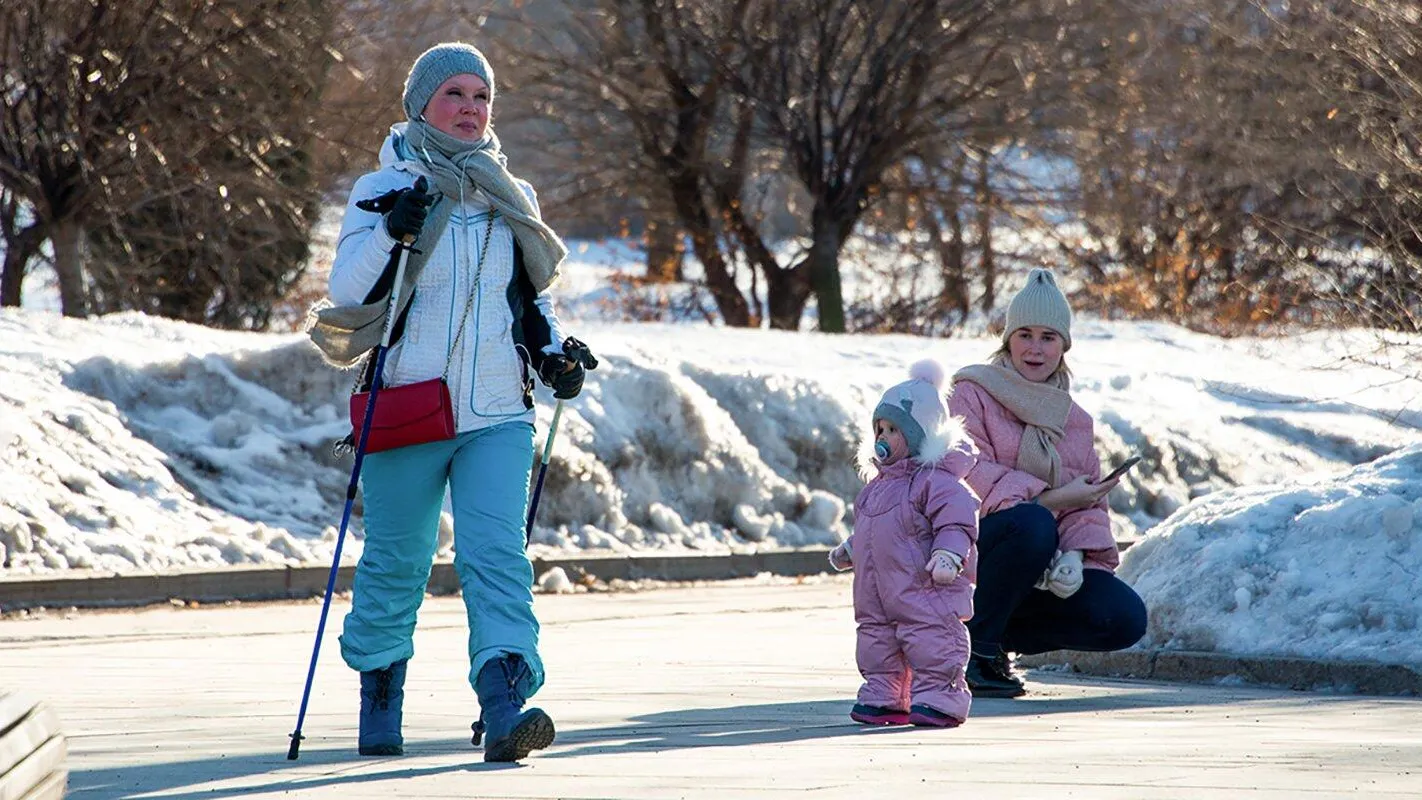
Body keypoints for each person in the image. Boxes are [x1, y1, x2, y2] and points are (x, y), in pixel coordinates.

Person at [309, 42, 590, 762]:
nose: (470, 109)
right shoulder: (383, 187)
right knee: (397, 562)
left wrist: (555, 353)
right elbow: (348, 291)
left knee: (497, 556)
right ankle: (380, 700)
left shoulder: (508, 193)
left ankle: (504, 707)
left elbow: (528, 299)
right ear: (421, 105)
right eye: (454, 96)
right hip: (407, 404)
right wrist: (395, 231)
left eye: (481, 96)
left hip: (497, 409)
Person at [948, 268, 1147, 698]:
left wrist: (1074, 556)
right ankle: (975, 652)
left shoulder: (1073, 419)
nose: (1035, 349)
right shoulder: (971, 392)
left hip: (1036, 564)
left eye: (1048, 338)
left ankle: (996, 635)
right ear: (1007, 340)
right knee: (1032, 524)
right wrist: (1049, 497)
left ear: (1064, 347)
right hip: (966, 552)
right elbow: (967, 476)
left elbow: (1087, 504)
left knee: (1124, 616)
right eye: (1024, 335)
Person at [829, 361, 981, 728]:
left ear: (921, 434)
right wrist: (850, 549)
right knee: (876, 642)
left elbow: (957, 521)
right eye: (879, 427)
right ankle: (884, 694)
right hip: (876, 593)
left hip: (924, 589)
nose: (882, 436)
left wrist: (949, 554)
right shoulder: (876, 487)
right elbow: (871, 530)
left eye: (894, 429)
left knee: (932, 640)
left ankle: (939, 696)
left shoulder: (936, 482)